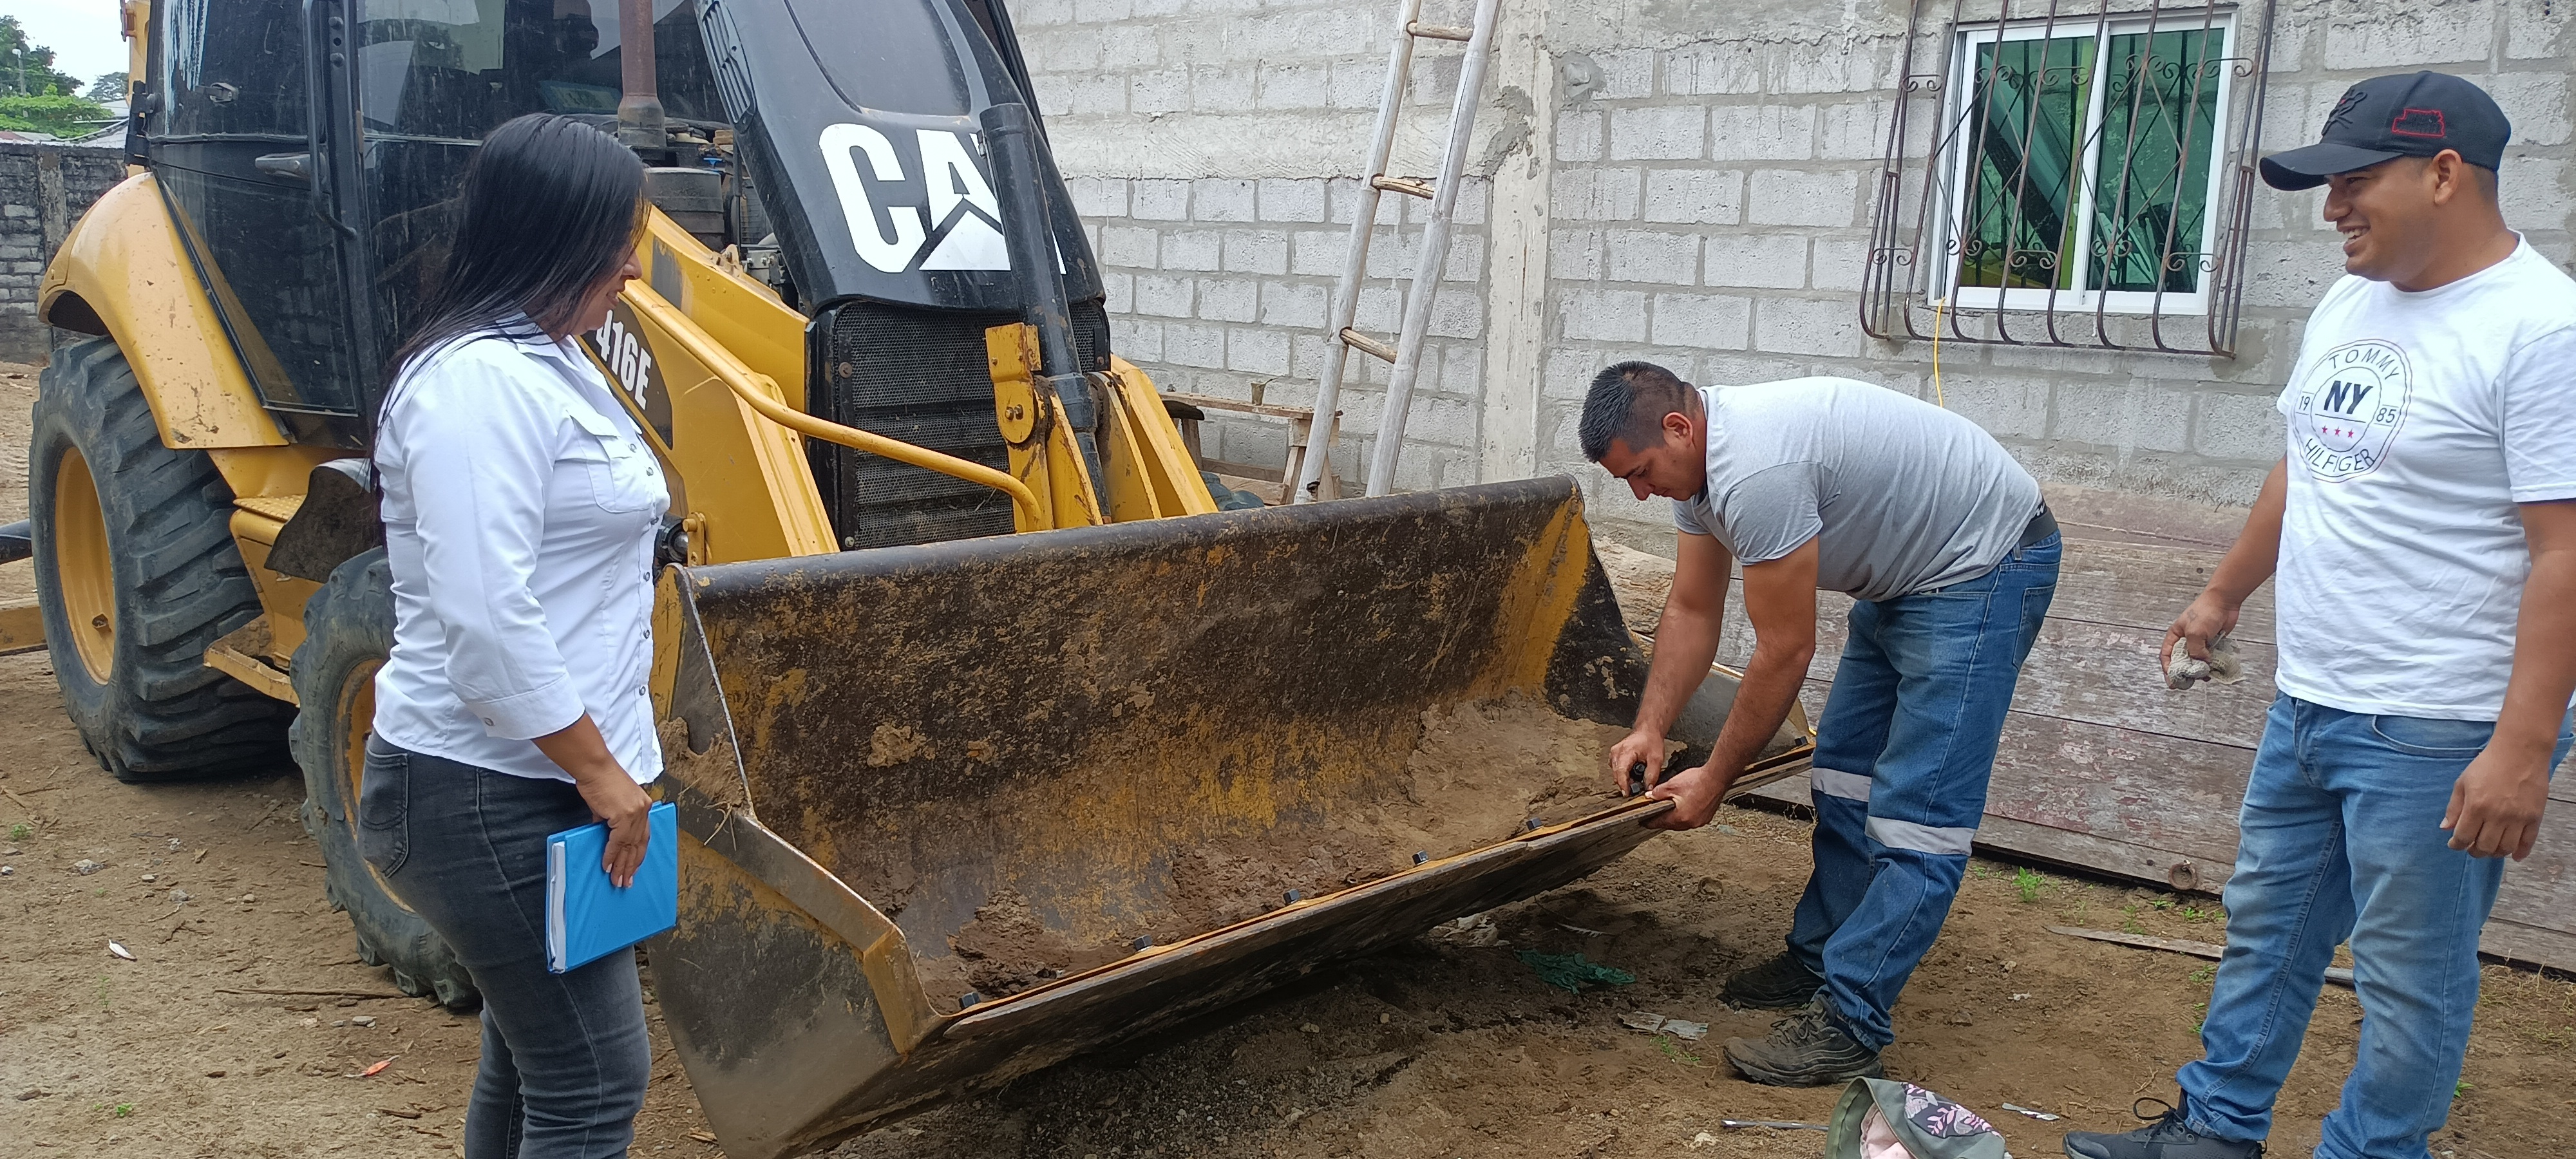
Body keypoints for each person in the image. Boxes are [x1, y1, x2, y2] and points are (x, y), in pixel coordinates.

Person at [2063, 71, 2576, 1159]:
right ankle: (2216, 1130)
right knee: (2268, 927)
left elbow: (2567, 551)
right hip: (2313, 696)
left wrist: (2523, 748)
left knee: (2407, 977)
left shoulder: (2544, 331)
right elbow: (2304, 467)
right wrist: (2223, 594)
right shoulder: (2353, 301)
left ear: (2445, 174)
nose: (2332, 208)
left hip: (2439, 722)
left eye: (2354, 183)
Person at [1581, 363, 2059, 1086]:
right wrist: (1651, 725)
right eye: (1628, 482)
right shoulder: (1698, 473)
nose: (1641, 493)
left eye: (1641, 473)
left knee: (1919, 817)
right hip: (1907, 577)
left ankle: (1849, 1021)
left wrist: (1715, 779)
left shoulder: (1757, 472)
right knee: (1843, 775)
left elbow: (1784, 650)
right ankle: (1819, 959)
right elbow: (1692, 608)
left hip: (1983, 565)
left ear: (1678, 428)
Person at [357, 113, 665, 1159]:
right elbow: (487, 619)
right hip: (485, 790)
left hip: (541, 780)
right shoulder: (473, 386)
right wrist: (603, 775)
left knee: (531, 1063)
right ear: (550, 238)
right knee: (594, 1082)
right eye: (614, 243)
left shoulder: (551, 360)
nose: (631, 268)